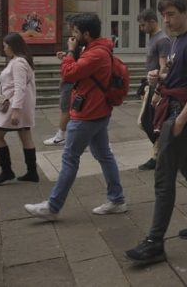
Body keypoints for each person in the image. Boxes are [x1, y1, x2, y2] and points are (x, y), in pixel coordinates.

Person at [125, 0, 187, 266]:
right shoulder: (178, 41)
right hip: (175, 109)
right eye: (164, 15)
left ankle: (155, 242)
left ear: (185, 13)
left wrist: (179, 122)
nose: (166, 19)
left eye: (171, 14)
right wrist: (162, 76)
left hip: (181, 115)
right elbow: (183, 76)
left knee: (163, 176)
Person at [25, 13, 126, 219]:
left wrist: (71, 53)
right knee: (104, 156)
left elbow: (69, 74)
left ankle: (52, 207)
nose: (72, 35)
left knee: (70, 159)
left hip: (87, 115)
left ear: (86, 34)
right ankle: (116, 199)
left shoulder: (95, 53)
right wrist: (72, 56)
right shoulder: (98, 49)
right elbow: (82, 70)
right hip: (99, 111)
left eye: (75, 32)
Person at [0, 32, 38, 185]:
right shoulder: (18, 61)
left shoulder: (18, 63)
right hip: (17, 105)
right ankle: (32, 173)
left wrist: (16, 109)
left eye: (5, 46)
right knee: (25, 137)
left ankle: (7, 171)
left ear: (12, 46)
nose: (4, 49)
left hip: (13, 106)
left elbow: (20, 87)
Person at [137, 8, 171, 170]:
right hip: (151, 85)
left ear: (152, 22)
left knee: (150, 122)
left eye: (143, 25)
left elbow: (164, 68)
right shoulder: (153, 38)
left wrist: (157, 89)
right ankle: (160, 153)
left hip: (158, 88)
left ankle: (160, 154)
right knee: (148, 122)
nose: (141, 29)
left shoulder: (162, 40)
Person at [44, 16, 81, 147]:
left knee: (66, 108)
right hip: (71, 80)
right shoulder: (76, 42)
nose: (68, 28)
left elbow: (75, 65)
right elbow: (75, 60)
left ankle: (61, 136)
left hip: (71, 81)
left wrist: (70, 50)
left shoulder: (76, 43)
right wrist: (66, 55)